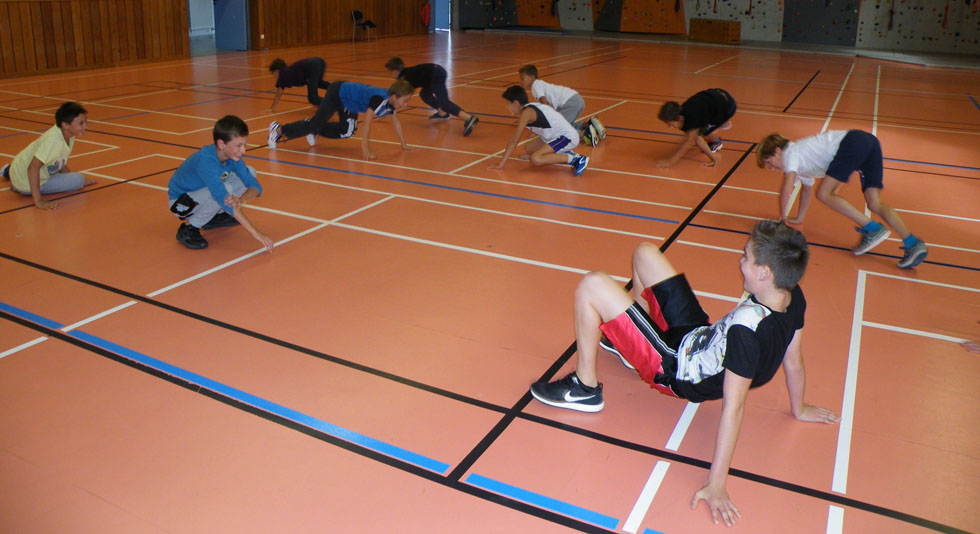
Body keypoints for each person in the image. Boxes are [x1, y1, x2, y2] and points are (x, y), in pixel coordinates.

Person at [530, 220, 840, 527]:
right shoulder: (791, 295)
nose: (740, 260)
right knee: (645, 252)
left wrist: (717, 483)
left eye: (747, 257)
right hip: (698, 337)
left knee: (592, 283)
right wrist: (799, 408)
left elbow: (734, 408)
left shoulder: (748, 332)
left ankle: (585, 388)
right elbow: (794, 360)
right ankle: (630, 344)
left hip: (675, 368)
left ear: (764, 273)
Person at [757, 131, 928, 269]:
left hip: (852, 142)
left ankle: (872, 228)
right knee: (874, 203)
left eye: (769, 163)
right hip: (869, 143)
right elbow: (806, 190)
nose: (772, 169)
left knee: (824, 194)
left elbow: (787, 188)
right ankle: (913, 243)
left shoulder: (791, 153)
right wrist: (799, 217)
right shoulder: (801, 164)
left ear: (778, 151)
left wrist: (782, 218)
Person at [168, 115, 273, 252]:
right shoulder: (207, 162)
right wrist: (256, 233)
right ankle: (190, 228)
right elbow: (222, 196)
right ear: (221, 144)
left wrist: (240, 200)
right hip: (181, 202)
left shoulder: (232, 157)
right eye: (238, 145)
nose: (243, 150)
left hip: (204, 193)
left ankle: (215, 217)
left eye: (244, 145)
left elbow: (255, 186)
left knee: (251, 172)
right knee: (225, 189)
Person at [267, 80, 414, 161]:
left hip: (349, 103)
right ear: (394, 96)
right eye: (404, 101)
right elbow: (367, 122)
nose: (406, 104)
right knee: (315, 123)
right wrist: (365, 149)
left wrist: (403, 144)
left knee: (347, 131)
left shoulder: (391, 104)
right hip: (338, 93)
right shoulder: (379, 100)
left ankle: (314, 128)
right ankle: (279, 129)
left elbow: (396, 121)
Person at [1, 102, 95, 209]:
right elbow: (32, 169)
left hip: (18, 169)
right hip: (26, 182)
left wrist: (68, 178)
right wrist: (39, 201)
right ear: (65, 125)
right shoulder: (53, 141)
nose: (85, 126)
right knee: (77, 179)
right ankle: (19, 185)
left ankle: (13, 176)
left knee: (74, 178)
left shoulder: (66, 133)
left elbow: (60, 160)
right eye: (81, 123)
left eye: (86, 122)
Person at [490, 85, 589, 176]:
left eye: (508, 104)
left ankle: (577, 159)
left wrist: (501, 164)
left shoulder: (527, 113)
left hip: (567, 137)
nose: (506, 107)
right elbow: (543, 123)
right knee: (528, 149)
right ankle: (565, 153)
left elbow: (514, 141)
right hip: (554, 136)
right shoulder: (530, 108)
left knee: (536, 159)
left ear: (515, 103)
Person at [384, 57, 479, 137]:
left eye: (390, 72)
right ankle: (442, 114)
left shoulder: (404, 78)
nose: (390, 74)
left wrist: (386, 110)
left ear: (395, 71)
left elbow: (398, 97)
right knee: (425, 94)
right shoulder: (406, 74)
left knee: (444, 103)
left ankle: (468, 118)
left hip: (436, 74)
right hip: (433, 75)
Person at [518, 64, 605, 146]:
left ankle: (584, 134)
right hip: (576, 99)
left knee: (558, 128)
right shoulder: (540, 84)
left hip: (569, 102)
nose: (520, 81)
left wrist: (537, 127)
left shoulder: (535, 85)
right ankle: (589, 125)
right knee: (564, 123)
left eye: (522, 78)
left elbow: (544, 105)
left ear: (532, 77)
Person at [657, 88, 736, 168]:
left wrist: (670, 162)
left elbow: (691, 141)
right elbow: (696, 138)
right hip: (717, 94)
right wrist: (713, 159)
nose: (670, 127)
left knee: (703, 134)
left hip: (727, 106)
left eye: (670, 124)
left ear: (679, 118)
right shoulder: (682, 113)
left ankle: (717, 141)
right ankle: (721, 123)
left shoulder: (692, 119)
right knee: (696, 133)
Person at [267, 57, 331, 111]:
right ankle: (338, 88)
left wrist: (272, 109)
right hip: (320, 61)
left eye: (273, 73)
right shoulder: (288, 70)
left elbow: (278, 94)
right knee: (319, 83)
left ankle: (332, 105)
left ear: (277, 70)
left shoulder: (282, 76)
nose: (273, 76)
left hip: (312, 66)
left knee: (312, 98)